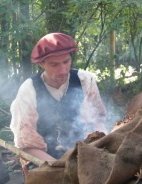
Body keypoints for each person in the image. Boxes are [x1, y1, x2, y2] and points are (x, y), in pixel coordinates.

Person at [10, 32, 107, 174]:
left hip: (82, 154)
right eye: (54, 65)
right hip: (43, 160)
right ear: (42, 64)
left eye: (66, 62)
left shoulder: (85, 80)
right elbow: (26, 144)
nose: (62, 70)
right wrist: (60, 168)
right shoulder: (29, 90)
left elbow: (98, 120)